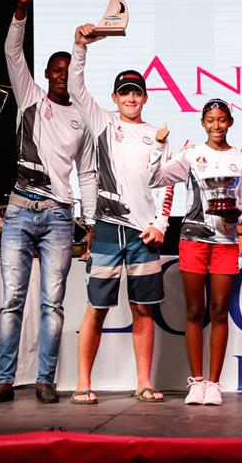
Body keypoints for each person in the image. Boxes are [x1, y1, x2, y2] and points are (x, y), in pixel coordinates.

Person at [0, 0, 97, 405]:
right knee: (12, 300)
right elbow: (12, 51)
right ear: (47, 73)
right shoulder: (30, 97)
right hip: (18, 210)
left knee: (53, 302)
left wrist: (87, 220)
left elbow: (87, 173)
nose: (63, 76)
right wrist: (21, 8)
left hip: (59, 217)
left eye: (69, 71)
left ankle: (45, 379)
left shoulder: (82, 118)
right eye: (57, 70)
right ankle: (6, 380)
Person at [68, 23, 174, 406]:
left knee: (143, 309)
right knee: (96, 308)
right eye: (125, 92)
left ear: (145, 98)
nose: (131, 98)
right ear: (115, 97)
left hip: (144, 234)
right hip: (110, 228)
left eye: (137, 92)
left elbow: (164, 183)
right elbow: (77, 87)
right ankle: (83, 382)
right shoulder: (103, 123)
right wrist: (80, 47)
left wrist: (161, 224)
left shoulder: (155, 134)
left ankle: (144, 382)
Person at [148, 98, 242, 406]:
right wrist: (159, 148)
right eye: (211, 120)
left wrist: (240, 216)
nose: (217, 125)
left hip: (225, 243)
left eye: (222, 120)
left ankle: (214, 383)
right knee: (194, 311)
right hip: (193, 239)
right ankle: (196, 382)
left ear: (230, 122)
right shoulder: (191, 155)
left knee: (219, 311)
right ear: (202, 123)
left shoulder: (241, 160)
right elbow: (156, 179)